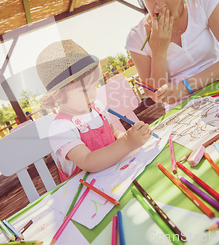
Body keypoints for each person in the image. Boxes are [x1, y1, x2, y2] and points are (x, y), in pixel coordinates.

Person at [36, 40, 152, 182]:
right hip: (88, 191)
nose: (92, 94)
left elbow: (111, 130)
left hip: (116, 176)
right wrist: (127, 142)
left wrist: (125, 136)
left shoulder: (96, 107)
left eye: (94, 85)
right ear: (58, 94)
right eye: (84, 89)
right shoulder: (61, 128)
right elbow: (88, 161)